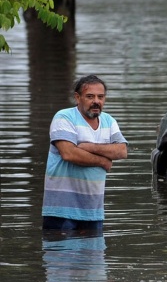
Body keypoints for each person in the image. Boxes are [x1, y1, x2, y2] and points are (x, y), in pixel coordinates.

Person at [42, 75, 128, 234]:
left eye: (100, 97)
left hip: (93, 211)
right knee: (60, 257)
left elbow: (122, 151)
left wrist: (89, 146)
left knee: (94, 258)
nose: (96, 101)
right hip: (61, 210)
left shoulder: (109, 121)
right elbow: (69, 154)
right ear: (77, 97)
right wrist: (103, 162)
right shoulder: (64, 117)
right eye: (90, 96)